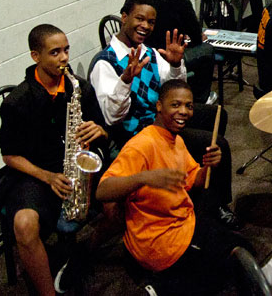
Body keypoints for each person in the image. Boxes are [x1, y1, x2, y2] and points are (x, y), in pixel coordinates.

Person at [89, 0, 239, 227]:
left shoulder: (148, 51)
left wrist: (177, 64)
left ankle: (195, 180)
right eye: (140, 19)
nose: (146, 26)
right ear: (124, 18)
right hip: (139, 133)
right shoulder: (104, 63)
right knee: (218, 143)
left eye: (151, 22)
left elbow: (173, 90)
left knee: (217, 114)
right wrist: (126, 80)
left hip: (160, 117)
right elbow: (112, 117)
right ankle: (215, 205)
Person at [96, 79, 249, 295]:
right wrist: (145, 177)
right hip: (159, 239)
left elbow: (194, 180)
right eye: (175, 105)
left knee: (237, 251)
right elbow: (102, 191)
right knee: (235, 262)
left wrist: (209, 166)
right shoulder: (142, 145)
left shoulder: (176, 140)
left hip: (182, 223)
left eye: (189, 106)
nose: (184, 111)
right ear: (159, 106)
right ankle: (161, 287)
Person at [0, 24, 109, 296]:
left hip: (76, 167)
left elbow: (104, 131)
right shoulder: (17, 101)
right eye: (55, 52)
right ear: (35, 56)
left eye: (66, 50)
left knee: (125, 191)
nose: (64, 58)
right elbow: (9, 155)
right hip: (35, 174)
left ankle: (83, 256)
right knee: (24, 225)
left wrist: (100, 130)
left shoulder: (78, 87)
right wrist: (47, 177)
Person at [125, 0, 214, 104]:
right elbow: (196, 36)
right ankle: (201, 98)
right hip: (165, 57)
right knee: (207, 50)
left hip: (136, 53)